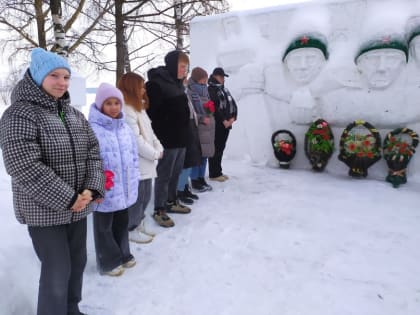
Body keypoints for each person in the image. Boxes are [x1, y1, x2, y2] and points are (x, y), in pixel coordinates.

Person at [0, 47, 104, 315]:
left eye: (66, 77)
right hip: (44, 211)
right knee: (57, 271)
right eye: (54, 76)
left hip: (78, 208)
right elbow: (24, 166)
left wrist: (91, 188)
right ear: (37, 77)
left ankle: (72, 310)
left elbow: (93, 152)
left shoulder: (73, 114)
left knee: (77, 263)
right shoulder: (19, 114)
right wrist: (69, 198)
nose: (62, 82)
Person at [88, 83, 140, 276]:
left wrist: (134, 176)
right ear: (100, 105)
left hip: (124, 188)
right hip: (104, 190)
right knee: (104, 228)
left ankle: (124, 254)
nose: (113, 107)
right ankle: (108, 261)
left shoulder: (125, 128)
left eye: (117, 103)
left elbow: (133, 155)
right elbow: (88, 160)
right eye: (108, 103)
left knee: (121, 223)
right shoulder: (92, 129)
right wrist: (95, 185)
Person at [146, 50, 191, 227]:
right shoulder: (156, 84)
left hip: (181, 138)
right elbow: (152, 114)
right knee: (164, 175)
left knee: (176, 173)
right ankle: (159, 209)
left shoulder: (178, 84)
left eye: (186, 67)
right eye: (181, 66)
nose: (184, 70)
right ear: (172, 65)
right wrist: (168, 125)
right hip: (167, 139)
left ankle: (172, 201)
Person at [117, 72, 163, 243]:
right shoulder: (127, 110)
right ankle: (132, 228)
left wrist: (158, 147)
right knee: (137, 198)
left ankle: (140, 223)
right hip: (138, 162)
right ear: (131, 88)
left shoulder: (140, 108)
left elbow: (150, 134)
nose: (144, 90)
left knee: (145, 196)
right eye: (141, 86)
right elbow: (136, 140)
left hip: (147, 161)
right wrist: (154, 153)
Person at [207, 67, 238, 182]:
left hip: (227, 124)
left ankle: (218, 171)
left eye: (223, 77)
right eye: (221, 77)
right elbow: (214, 107)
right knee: (216, 148)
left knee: (221, 148)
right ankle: (214, 173)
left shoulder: (224, 89)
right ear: (215, 76)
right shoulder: (211, 89)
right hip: (218, 124)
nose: (223, 79)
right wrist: (224, 120)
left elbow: (233, 103)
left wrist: (233, 117)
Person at [187, 67, 215, 192]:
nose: (205, 81)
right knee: (197, 156)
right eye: (203, 78)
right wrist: (202, 118)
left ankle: (201, 178)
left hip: (208, 128)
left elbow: (209, 107)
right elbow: (190, 111)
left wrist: (210, 111)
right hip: (198, 128)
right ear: (197, 78)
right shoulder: (190, 92)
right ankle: (194, 181)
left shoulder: (205, 90)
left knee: (205, 156)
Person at [176, 77, 202, 204]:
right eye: (183, 80)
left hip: (191, 128)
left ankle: (185, 188)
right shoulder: (178, 95)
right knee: (185, 164)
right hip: (184, 129)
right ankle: (179, 190)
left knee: (189, 163)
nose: (186, 82)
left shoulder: (185, 94)